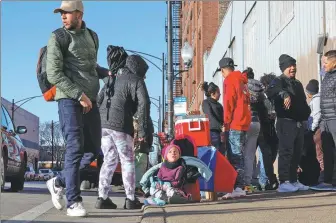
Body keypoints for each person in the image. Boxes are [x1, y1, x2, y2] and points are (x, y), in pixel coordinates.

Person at [46, 1, 109, 217]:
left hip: (90, 99)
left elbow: (90, 67)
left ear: (79, 14)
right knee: (74, 146)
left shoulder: (92, 36)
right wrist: (78, 95)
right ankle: (73, 201)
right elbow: (53, 73)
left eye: (67, 13)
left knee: (93, 149)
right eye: (61, 13)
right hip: (69, 99)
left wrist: (107, 73)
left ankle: (59, 181)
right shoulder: (58, 37)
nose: (63, 16)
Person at [95, 55, 150, 210]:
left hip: (103, 126)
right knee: (127, 161)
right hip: (121, 126)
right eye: (143, 72)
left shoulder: (111, 78)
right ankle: (130, 199)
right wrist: (144, 130)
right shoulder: (136, 80)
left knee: (109, 160)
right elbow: (144, 104)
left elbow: (99, 100)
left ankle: (102, 197)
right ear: (138, 69)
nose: (144, 76)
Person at [266, 54, 311, 193]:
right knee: (286, 152)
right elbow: (271, 91)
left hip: (298, 123)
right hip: (285, 123)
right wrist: (284, 94)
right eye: (289, 66)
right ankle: (284, 181)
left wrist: (305, 115)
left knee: (297, 152)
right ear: (283, 68)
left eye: (294, 65)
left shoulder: (297, 83)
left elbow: (303, 101)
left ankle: (293, 179)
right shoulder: (278, 81)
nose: (292, 68)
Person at [219, 57, 251, 199]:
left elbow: (228, 103)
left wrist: (225, 124)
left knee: (235, 156)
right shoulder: (242, 80)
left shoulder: (229, 80)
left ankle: (237, 187)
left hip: (235, 123)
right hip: (244, 122)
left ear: (222, 70)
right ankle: (240, 186)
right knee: (241, 155)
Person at [316, 50, 336, 190]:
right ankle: (328, 181)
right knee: (327, 151)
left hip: (334, 117)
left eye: (325, 62)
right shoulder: (327, 76)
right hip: (326, 119)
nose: (323, 65)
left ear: (334, 62)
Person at [242, 67, 264, 193]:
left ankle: (243, 183)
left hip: (245, 121)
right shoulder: (260, 87)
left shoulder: (243, 86)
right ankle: (250, 182)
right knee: (251, 154)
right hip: (257, 122)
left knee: (242, 153)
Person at [258, 73, 279, 190]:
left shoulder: (274, 97)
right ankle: (263, 180)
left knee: (271, 155)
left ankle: (266, 179)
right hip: (265, 130)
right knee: (266, 156)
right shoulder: (261, 97)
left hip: (273, 130)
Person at [201, 82, 224, 154]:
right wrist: (220, 126)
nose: (220, 94)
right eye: (218, 92)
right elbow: (209, 115)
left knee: (221, 153)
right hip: (212, 131)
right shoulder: (206, 102)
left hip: (220, 132)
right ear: (212, 94)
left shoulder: (219, 105)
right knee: (215, 153)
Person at [133, 115, 154, 194]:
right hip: (140, 146)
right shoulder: (143, 116)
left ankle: (132, 186)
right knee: (140, 167)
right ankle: (137, 187)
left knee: (131, 167)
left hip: (131, 146)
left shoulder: (130, 113)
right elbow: (149, 130)